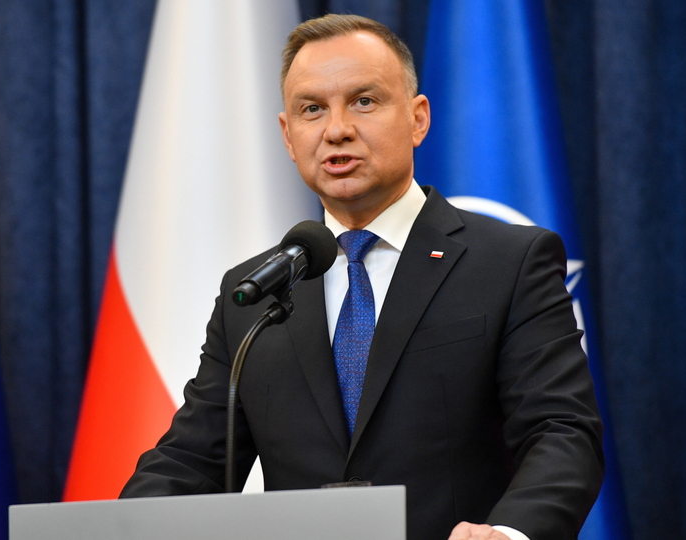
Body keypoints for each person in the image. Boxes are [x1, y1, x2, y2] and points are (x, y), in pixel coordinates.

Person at [120, 14, 603, 540]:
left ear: (418, 119)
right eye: (312, 109)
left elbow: (561, 431)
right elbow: (192, 461)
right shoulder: (256, 292)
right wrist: (119, 529)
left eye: (364, 101)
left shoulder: (509, 262)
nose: (336, 130)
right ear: (288, 135)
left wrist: (509, 533)